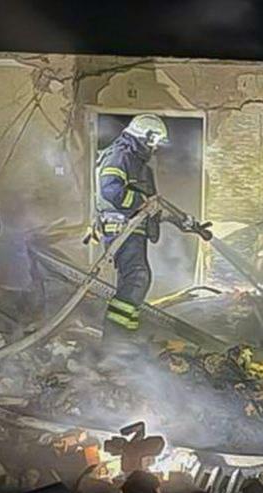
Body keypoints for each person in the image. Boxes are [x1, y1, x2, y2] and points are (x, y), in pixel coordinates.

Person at [94, 114, 169, 350]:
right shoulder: (121, 155)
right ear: (144, 136)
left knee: (135, 279)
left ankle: (126, 337)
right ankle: (115, 340)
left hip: (133, 227)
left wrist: (183, 222)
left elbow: (148, 201)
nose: (155, 148)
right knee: (137, 277)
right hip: (122, 227)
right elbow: (111, 191)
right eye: (154, 141)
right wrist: (140, 202)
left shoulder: (136, 161)